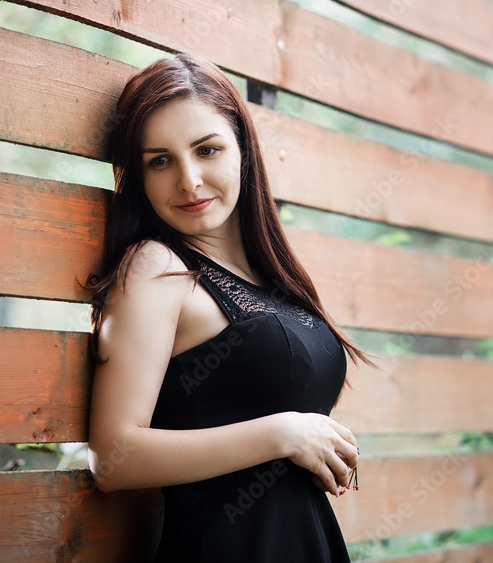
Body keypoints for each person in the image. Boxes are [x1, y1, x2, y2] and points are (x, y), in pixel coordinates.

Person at [82, 53, 375, 562]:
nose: (189, 180)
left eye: (207, 149)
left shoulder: (275, 278)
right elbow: (112, 458)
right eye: (160, 160)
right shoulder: (156, 268)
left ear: (243, 149)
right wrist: (282, 433)